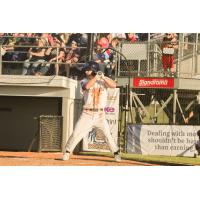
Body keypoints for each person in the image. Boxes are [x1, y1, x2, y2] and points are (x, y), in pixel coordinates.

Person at [62, 61, 121, 162]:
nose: (86, 71)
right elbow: (87, 87)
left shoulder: (103, 80)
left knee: (108, 135)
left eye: (88, 69)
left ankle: (116, 153)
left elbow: (114, 85)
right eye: (86, 69)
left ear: (93, 70)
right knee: (76, 134)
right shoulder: (84, 81)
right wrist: (96, 78)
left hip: (100, 115)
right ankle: (67, 152)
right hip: (87, 114)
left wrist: (103, 77)